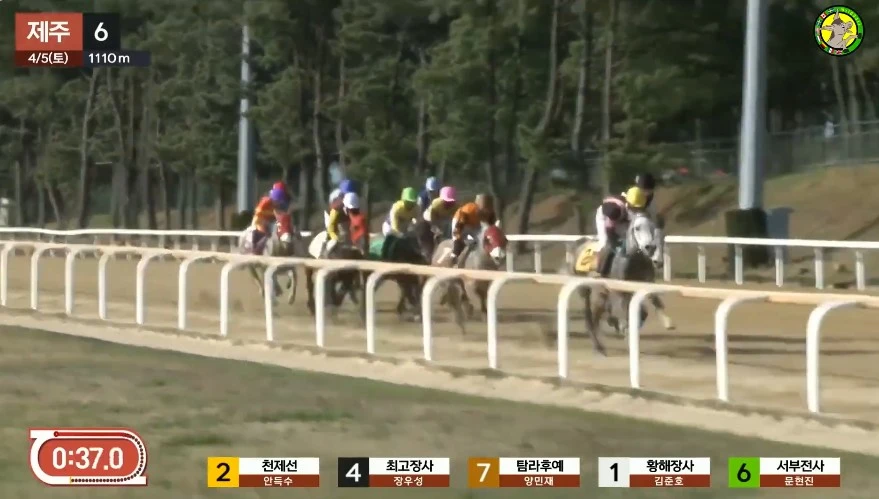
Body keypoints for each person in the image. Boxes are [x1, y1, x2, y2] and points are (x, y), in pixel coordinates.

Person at [594, 186, 647, 277]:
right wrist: (615, 244)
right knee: (605, 242)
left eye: (638, 208)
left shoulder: (632, 203)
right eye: (635, 207)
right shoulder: (615, 210)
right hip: (605, 216)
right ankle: (599, 270)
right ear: (629, 204)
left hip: (620, 217)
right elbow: (610, 230)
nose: (637, 210)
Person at [449, 193, 497, 264]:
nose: (487, 213)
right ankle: (453, 256)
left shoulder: (491, 214)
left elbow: (491, 228)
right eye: (484, 209)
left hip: (475, 224)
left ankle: (491, 256)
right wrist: (458, 237)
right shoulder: (469, 210)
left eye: (488, 210)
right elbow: (459, 226)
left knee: (482, 238)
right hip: (462, 223)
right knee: (458, 240)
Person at [250, 182, 292, 254]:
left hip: (274, 223)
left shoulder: (285, 202)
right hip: (263, 224)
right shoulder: (265, 203)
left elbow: (285, 217)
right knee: (262, 235)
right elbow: (258, 219)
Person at [325, 192, 360, 257]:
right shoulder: (335, 211)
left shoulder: (353, 212)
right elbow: (330, 229)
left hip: (349, 241)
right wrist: (335, 239)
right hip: (337, 240)